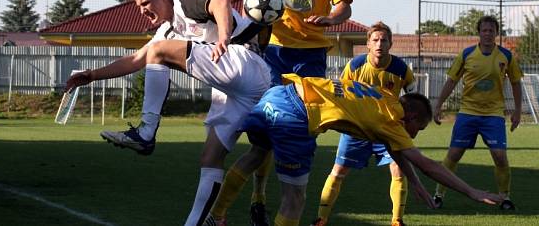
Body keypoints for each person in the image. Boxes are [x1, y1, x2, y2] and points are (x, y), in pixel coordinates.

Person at [64, 0, 272, 226]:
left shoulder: (182, 1)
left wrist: (225, 38)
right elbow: (137, 59)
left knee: (158, 51)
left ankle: (146, 132)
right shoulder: (167, 30)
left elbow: (221, 4)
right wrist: (92, 75)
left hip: (244, 61)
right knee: (210, 158)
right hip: (236, 90)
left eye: (145, 4)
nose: (142, 11)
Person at [213, 0, 353, 226]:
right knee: (266, 136)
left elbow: (344, 4)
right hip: (276, 55)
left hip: (313, 60)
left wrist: (333, 19)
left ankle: (258, 202)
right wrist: (260, 13)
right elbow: (250, 5)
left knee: (299, 134)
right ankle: (257, 197)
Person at [210, 74, 503, 226]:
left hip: (278, 94)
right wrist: (473, 192)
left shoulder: (384, 99)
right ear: (411, 118)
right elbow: (427, 163)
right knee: (295, 198)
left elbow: (397, 150)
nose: (413, 134)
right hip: (296, 114)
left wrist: (415, 184)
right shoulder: (392, 119)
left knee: (255, 156)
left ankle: (217, 215)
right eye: (418, 129)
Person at [312, 22, 416, 226]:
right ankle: (321, 219)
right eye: (375, 40)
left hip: (386, 130)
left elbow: (413, 99)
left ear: (391, 44)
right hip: (357, 129)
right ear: (368, 44)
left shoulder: (401, 69)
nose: (379, 44)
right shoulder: (355, 66)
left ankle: (397, 221)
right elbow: (341, 92)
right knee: (338, 170)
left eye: (384, 40)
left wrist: (409, 119)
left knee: (398, 169)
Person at [432, 15, 522, 210]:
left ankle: (505, 197)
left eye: (491, 30)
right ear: (479, 33)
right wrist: (438, 105)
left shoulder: (506, 56)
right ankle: (438, 195)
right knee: (454, 155)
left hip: (494, 115)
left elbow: (516, 83)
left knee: (500, 157)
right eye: (484, 30)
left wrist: (518, 110)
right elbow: (451, 81)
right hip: (468, 113)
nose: (488, 34)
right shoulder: (466, 54)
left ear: (496, 33)